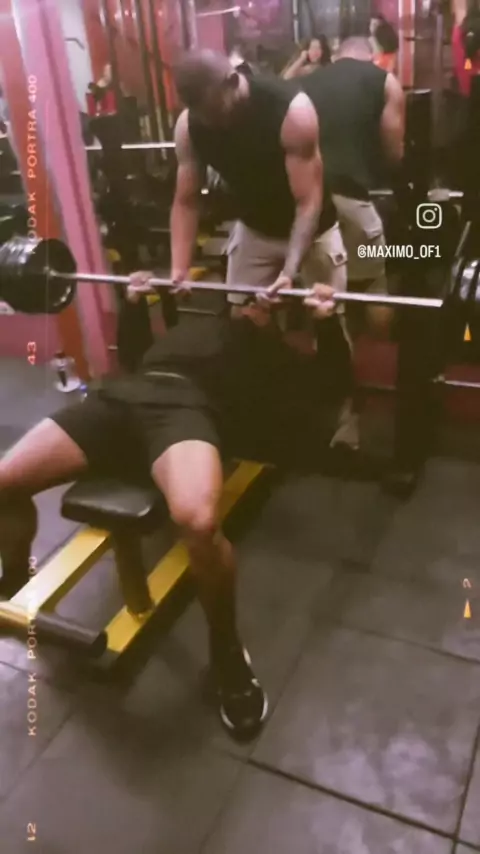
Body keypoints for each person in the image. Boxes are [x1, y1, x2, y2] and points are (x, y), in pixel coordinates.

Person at [0, 283, 337, 741]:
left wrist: (326, 324)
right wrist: (134, 304)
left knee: (198, 522)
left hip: (185, 411)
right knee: (4, 481)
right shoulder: (195, 326)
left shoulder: (274, 355)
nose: (261, 299)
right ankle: (15, 581)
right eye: (256, 293)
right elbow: (134, 356)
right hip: (118, 398)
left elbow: (329, 388)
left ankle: (226, 651)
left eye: (275, 298)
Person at [293, 36, 406, 449]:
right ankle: (391, 382)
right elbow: (394, 154)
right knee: (375, 298)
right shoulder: (384, 81)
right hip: (355, 204)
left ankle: (344, 414)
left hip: (311, 209)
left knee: (328, 306)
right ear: (370, 56)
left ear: (337, 54)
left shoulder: (304, 85)